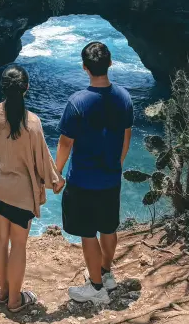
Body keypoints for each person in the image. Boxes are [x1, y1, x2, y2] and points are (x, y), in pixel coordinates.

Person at [0, 64, 63, 313]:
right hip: (21, 195)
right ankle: (15, 300)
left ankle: (3, 291)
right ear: (26, 89)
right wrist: (55, 180)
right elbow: (42, 158)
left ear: (2, 88)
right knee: (19, 245)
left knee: (0, 239)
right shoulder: (32, 122)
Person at [55, 41, 133, 306]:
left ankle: (96, 287)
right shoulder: (124, 97)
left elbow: (66, 142)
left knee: (88, 233)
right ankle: (107, 274)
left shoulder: (77, 102)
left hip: (83, 180)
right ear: (110, 64)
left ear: (85, 68)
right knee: (108, 228)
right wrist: (117, 164)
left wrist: (57, 172)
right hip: (111, 177)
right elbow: (126, 136)